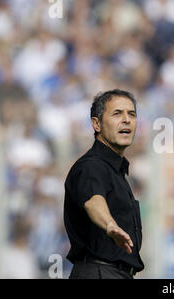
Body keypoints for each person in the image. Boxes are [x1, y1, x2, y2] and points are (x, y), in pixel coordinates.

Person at [63, 89, 144, 279]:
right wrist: (109, 225)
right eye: (117, 113)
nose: (126, 120)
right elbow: (93, 201)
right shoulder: (91, 166)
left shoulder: (116, 170)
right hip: (99, 272)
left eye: (131, 114)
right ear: (96, 123)